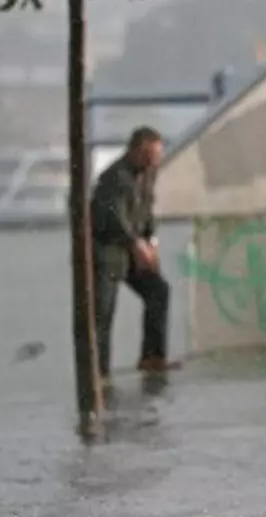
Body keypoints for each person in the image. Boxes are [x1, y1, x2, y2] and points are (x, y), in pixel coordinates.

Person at [90, 126, 175, 381]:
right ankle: (99, 373)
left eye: (157, 155)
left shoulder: (149, 174)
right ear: (134, 151)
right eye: (149, 155)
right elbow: (114, 217)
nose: (154, 161)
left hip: (136, 250)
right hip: (109, 251)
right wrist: (136, 244)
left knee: (159, 291)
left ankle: (152, 357)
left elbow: (147, 211)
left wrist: (152, 242)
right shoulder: (113, 178)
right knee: (103, 314)